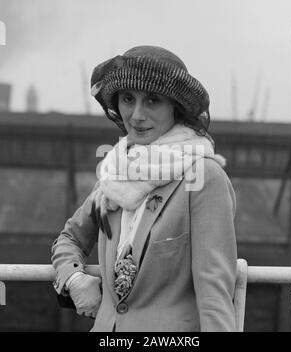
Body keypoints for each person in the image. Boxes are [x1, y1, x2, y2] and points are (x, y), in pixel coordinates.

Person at [51, 45, 237, 332]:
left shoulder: (204, 178)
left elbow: (214, 292)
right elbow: (69, 239)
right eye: (128, 99)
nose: (136, 115)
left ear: (176, 108)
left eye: (152, 100)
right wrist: (75, 278)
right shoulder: (113, 176)